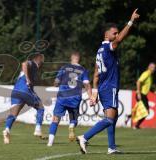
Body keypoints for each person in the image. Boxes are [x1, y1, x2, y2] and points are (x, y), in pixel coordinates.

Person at [77, 9, 140, 154]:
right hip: (109, 87)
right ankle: (84, 137)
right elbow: (118, 41)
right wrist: (131, 21)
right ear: (106, 35)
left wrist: (95, 92)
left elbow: (96, 73)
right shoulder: (108, 47)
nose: (117, 35)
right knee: (110, 120)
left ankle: (111, 147)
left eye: (118, 32)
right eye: (114, 33)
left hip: (105, 88)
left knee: (113, 117)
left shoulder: (100, 50)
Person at [47, 52, 92, 147]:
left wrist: (56, 84)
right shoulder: (83, 70)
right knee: (74, 118)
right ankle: (71, 127)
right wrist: (90, 96)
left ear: (71, 58)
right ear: (79, 59)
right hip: (75, 97)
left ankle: (50, 142)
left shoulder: (64, 68)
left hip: (63, 96)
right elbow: (87, 84)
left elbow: (56, 82)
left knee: (55, 119)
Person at [3, 53, 45, 144]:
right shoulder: (33, 64)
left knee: (13, 114)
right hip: (25, 91)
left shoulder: (33, 70)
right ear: (38, 59)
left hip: (16, 91)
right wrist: (28, 79)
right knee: (41, 107)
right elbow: (24, 64)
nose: (43, 63)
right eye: (42, 61)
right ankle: (38, 129)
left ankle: (6, 130)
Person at [135, 62, 155, 129]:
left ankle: (130, 119)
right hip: (141, 94)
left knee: (143, 111)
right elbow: (138, 81)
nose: (154, 69)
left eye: (154, 68)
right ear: (149, 67)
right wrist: (138, 93)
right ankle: (136, 125)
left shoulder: (150, 75)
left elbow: (148, 87)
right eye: (152, 67)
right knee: (146, 111)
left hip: (144, 95)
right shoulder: (146, 73)